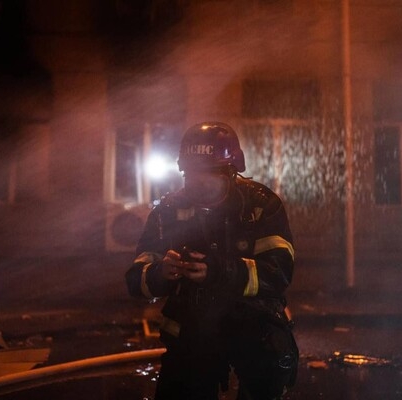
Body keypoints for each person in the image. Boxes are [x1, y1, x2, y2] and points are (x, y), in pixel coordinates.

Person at [125, 121, 298, 400]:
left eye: (210, 178)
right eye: (192, 177)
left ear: (231, 173)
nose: (200, 187)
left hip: (253, 326)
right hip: (192, 328)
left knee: (270, 363)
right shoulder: (168, 210)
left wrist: (218, 272)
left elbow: (278, 273)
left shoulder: (260, 206)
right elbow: (136, 279)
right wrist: (160, 273)